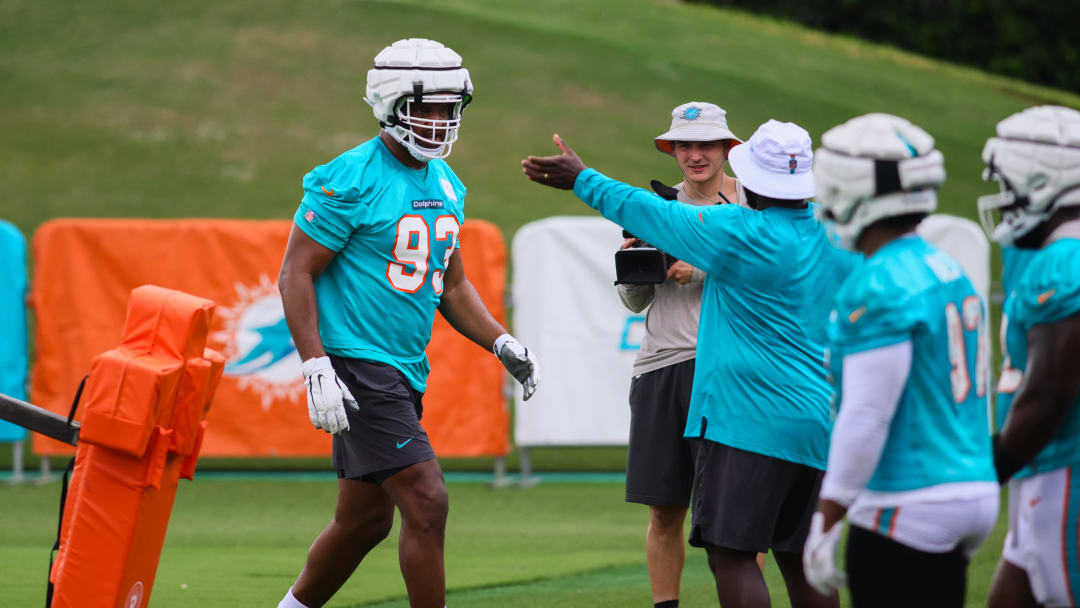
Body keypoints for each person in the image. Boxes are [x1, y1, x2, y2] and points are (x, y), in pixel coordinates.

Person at [523, 120, 858, 608]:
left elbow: (649, 212)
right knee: (801, 557)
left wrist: (582, 177)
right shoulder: (833, 242)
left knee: (732, 555)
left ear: (754, 179)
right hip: (815, 424)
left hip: (746, 423)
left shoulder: (740, 230)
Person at [275, 38, 540, 608]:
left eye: (450, 109)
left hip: (401, 368)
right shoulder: (348, 177)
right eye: (428, 107)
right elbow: (295, 273)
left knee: (365, 523)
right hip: (357, 362)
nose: (442, 122)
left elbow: (453, 284)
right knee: (427, 499)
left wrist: (501, 341)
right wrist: (316, 364)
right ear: (390, 105)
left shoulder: (446, 183)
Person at [801, 113, 998, 607]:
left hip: (908, 498)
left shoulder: (880, 283)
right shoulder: (947, 267)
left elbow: (867, 414)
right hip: (972, 485)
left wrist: (826, 516)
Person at [618, 102, 743, 608]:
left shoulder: (755, 204)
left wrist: (704, 268)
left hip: (734, 369)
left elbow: (779, 274)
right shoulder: (656, 208)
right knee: (664, 509)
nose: (695, 155)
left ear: (727, 149)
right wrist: (637, 263)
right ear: (672, 150)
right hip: (663, 365)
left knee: (737, 514)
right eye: (685, 145)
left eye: (706, 144)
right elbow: (635, 301)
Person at [978, 105, 1080, 608]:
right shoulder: (1057, 254)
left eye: (1009, 181)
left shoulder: (1066, 262)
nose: (1002, 196)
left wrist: (986, 467)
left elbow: (1050, 390)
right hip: (1044, 472)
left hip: (1064, 471)